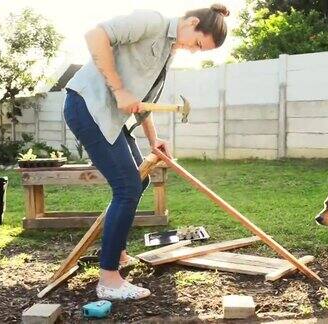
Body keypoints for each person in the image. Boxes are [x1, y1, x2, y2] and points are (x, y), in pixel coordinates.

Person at [63, 4, 229, 300]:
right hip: (87, 107)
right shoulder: (151, 22)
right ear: (192, 23)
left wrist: (154, 140)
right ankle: (109, 280)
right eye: (198, 43)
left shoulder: (168, 52)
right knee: (126, 187)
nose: (193, 51)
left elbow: (141, 103)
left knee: (138, 180)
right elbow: (95, 35)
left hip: (112, 118)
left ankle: (117, 252)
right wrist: (118, 90)